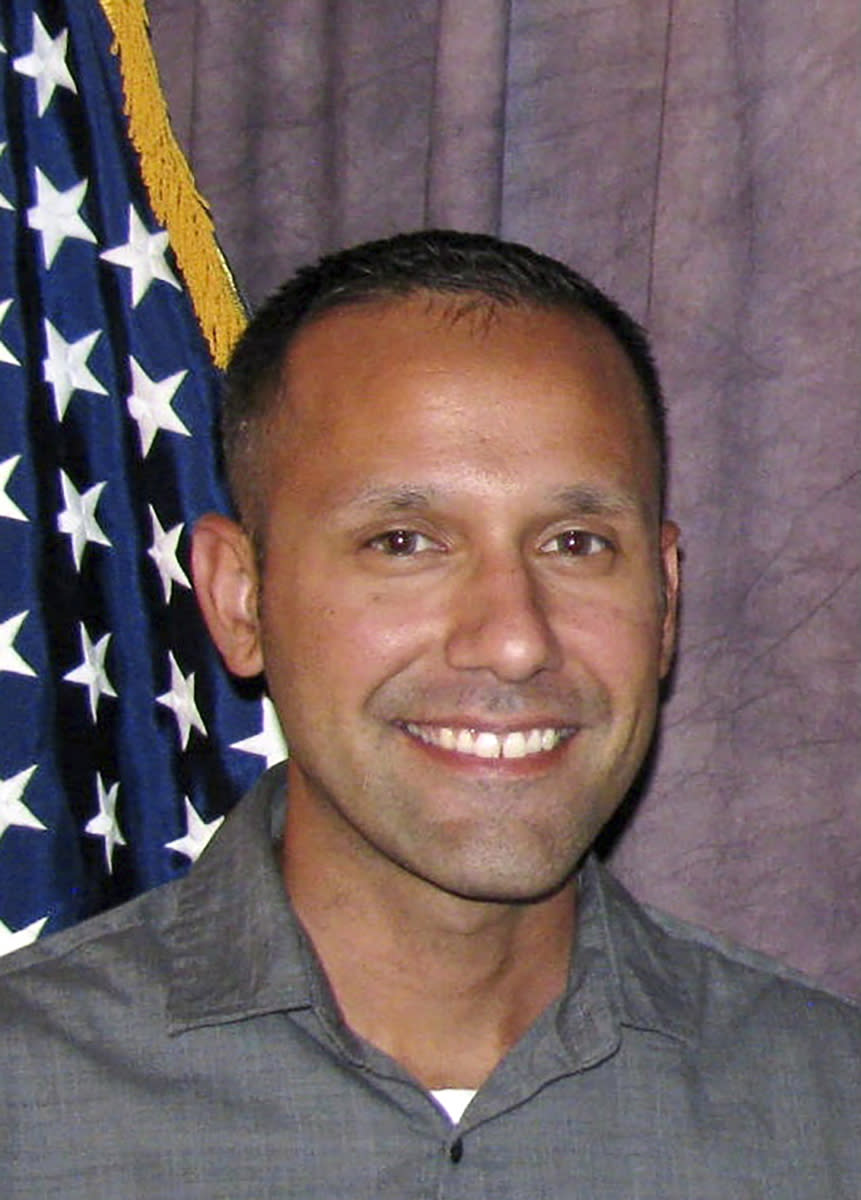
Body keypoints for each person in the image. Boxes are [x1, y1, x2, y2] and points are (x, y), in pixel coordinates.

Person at [1, 230, 859, 1198]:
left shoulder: (828, 1116)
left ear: (665, 600)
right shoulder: (25, 1110)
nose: (514, 639)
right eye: (404, 542)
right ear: (241, 599)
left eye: (576, 543)